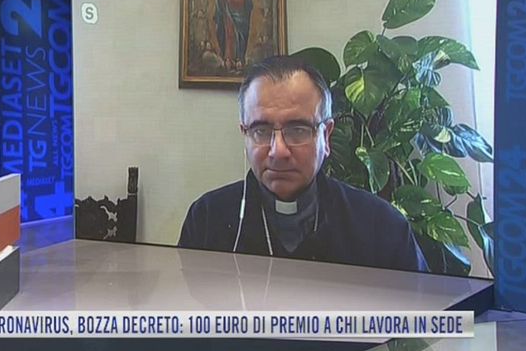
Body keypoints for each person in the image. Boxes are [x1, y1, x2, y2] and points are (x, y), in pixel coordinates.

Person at [178, 55, 429, 272]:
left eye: (297, 130)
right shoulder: (207, 219)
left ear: (326, 136)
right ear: (245, 134)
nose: (278, 151)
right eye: (261, 131)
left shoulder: (382, 226)